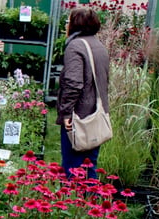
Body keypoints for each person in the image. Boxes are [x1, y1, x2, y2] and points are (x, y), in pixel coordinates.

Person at [56, 7, 109, 179]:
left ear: (74, 24)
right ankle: (90, 204)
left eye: (68, 21)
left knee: (72, 168)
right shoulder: (99, 45)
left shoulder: (76, 46)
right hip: (95, 116)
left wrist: (66, 113)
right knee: (89, 167)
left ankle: (73, 205)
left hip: (79, 117)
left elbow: (74, 83)